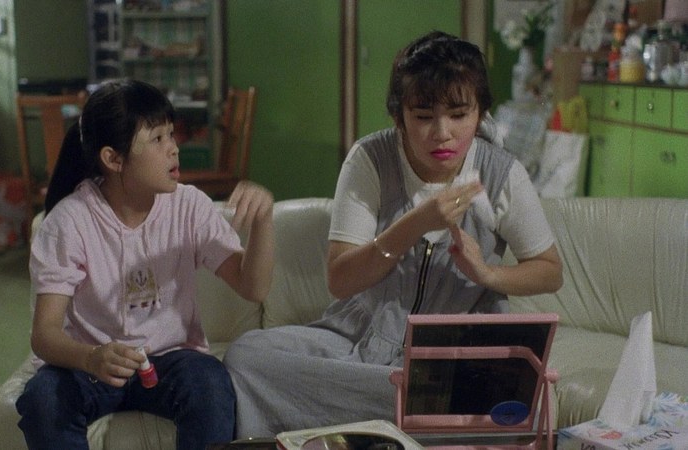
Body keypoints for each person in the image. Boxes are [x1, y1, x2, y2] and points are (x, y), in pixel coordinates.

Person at [223, 31, 562, 438]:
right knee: (246, 355)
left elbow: (549, 271)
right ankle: (425, 415)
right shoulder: (371, 159)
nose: (442, 133)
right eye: (423, 116)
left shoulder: (502, 173)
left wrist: (487, 274)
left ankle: (404, 414)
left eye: (459, 115)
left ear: (480, 113)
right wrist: (414, 223)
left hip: (451, 353)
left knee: (495, 391)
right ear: (398, 117)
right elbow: (341, 280)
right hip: (359, 339)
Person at [15, 79, 275, 450]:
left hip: (170, 361)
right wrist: (92, 358)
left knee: (210, 383)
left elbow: (254, 288)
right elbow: (44, 334)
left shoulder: (188, 206)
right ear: (113, 159)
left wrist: (263, 221)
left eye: (172, 134)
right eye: (157, 139)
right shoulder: (69, 221)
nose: (174, 148)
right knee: (43, 399)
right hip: (92, 365)